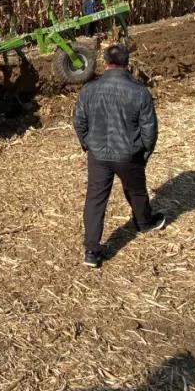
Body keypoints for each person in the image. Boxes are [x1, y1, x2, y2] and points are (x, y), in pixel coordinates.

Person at [74, 43, 164, 268]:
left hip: (98, 155)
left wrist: (88, 144)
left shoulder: (89, 89)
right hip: (128, 154)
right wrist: (144, 152)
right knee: (136, 190)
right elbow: (149, 129)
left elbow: (79, 121)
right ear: (127, 63)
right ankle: (144, 223)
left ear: (105, 63)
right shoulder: (139, 91)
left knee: (95, 199)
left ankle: (92, 251)